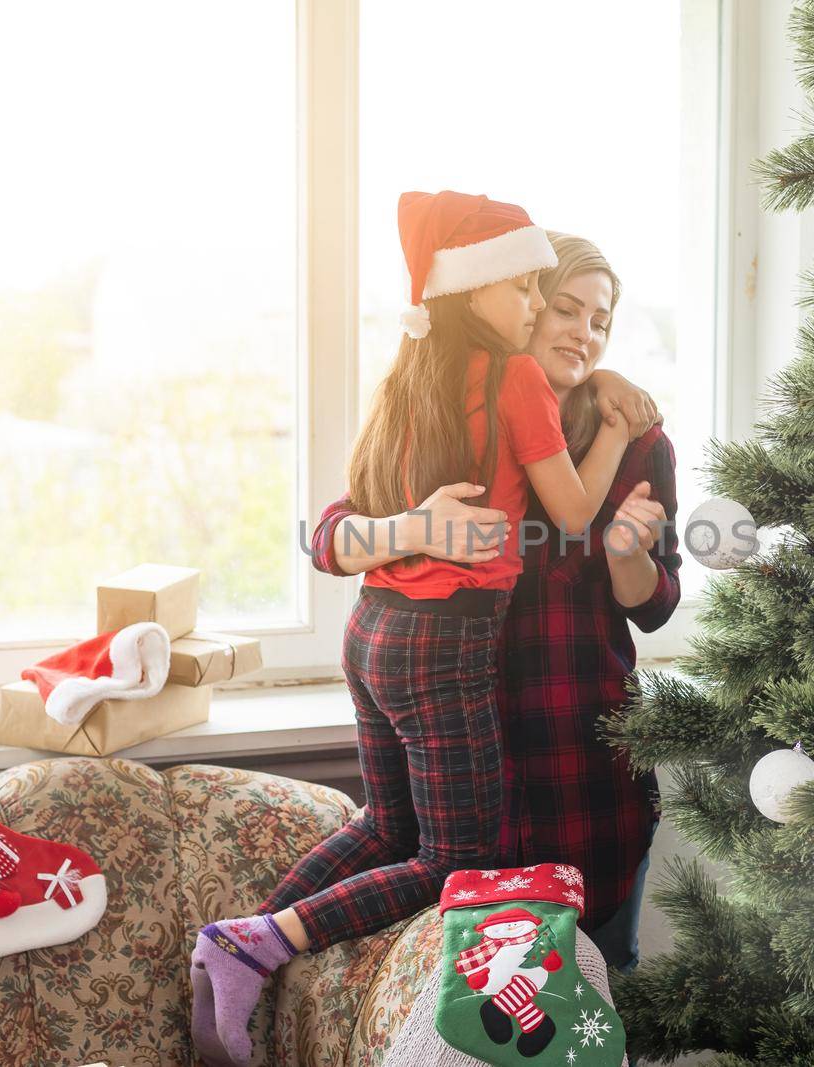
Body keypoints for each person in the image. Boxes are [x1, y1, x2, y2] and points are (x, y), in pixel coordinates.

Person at [190, 192, 634, 1067]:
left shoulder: (407, 379)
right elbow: (575, 515)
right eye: (527, 293)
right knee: (455, 859)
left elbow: (340, 520)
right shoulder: (515, 380)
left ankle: (240, 951)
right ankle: (257, 944)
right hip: (445, 642)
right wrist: (614, 435)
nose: (541, 311)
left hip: (372, 633)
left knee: (390, 824)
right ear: (476, 292)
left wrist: (407, 532)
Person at [310, 232, 679, 974]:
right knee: (470, 1029)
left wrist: (626, 552)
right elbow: (328, 538)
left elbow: (656, 605)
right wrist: (411, 529)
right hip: (467, 791)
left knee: (599, 1024)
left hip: (585, 792)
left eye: (600, 320)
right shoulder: (455, 415)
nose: (582, 330)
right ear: (526, 310)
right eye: (564, 308)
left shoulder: (638, 442)